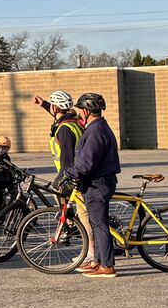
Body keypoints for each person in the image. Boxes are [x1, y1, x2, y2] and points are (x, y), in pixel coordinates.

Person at [64, 93, 121, 278]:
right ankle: (98, 261)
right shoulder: (99, 127)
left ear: (87, 111)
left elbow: (87, 163)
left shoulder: (95, 131)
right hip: (98, 182)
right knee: (96, 224)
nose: (80, 113)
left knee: (99, 225)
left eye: (81, 110)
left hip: (97, 184)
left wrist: (68, 174)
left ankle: (107, 266)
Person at [32, 90, 84, 173]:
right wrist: (43, 104)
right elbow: (59, 114)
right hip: (78, 171)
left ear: (54, 109)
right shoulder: (74, 121)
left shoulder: (65, 129)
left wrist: (62, 178)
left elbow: (67, 161)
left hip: (71, 175)